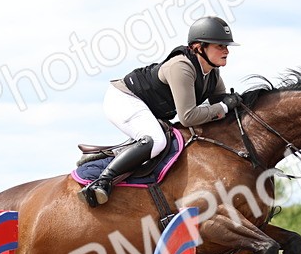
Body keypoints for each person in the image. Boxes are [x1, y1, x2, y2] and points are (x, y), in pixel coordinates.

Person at [80, 15, 242, 207]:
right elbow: (188, 117)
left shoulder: (212, 73)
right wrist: (224, 106)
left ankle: (108, 155)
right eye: (220, 46)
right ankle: (102, 182)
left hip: (145, 106)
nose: (226, 51)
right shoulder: (182, 66)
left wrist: (235, 103)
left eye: (226, 46)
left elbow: (218, 107)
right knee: (156, 141)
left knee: (165, 141)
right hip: (122, 99)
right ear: (199, 47)